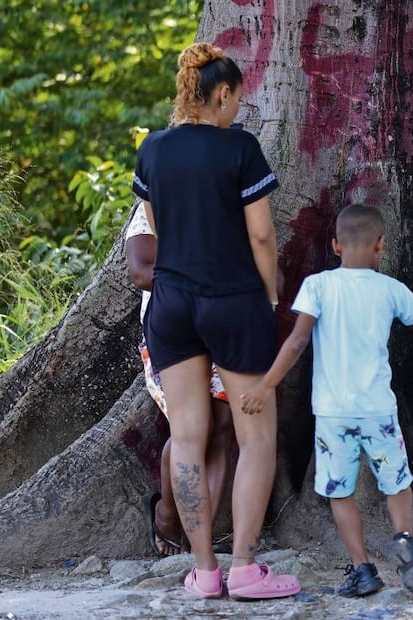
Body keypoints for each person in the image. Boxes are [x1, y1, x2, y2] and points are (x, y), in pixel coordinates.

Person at [132, 42, 299, 599]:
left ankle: (203, 572)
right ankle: (246, 569)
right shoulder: (241, 149)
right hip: (233, 301)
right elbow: (260, 234)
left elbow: (156, 227)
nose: (238, 111)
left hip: (172, 304)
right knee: (255, 438)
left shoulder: (153, 150)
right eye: (236, 100)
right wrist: (270, 291)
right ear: (222, 94)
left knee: (186, 437)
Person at [239, 204, 413, 598]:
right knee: (396, 482)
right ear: (381, 245)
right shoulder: (390, 289)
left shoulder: (318, 286)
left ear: (335, 245)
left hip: (332, 413)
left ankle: (362, 568)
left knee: (339, 491)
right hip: (378, 409)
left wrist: (265, 387)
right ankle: (404, 537)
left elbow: (296, 341)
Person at [125, 204, 236, 557]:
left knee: (221, 426)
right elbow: (142, 272)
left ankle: (197, 540)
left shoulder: (221, 202)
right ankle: (167, 516)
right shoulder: (153, 205)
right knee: (191, 429)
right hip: (173, 331)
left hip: (222, 328)